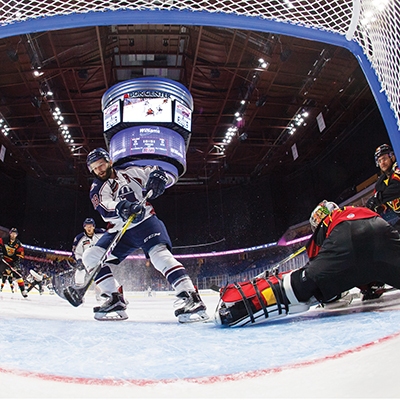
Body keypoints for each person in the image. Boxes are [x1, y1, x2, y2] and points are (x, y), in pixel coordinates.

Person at [214, 200, 400, 327]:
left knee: (301, 286)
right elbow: (366, 253)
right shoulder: (352, 210)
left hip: (345, 235)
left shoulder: (325, 226)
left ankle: (239, 307)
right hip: (380, 227)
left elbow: (319, 271)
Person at [81, 148, 209, 322]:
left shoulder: (130, 171)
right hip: (121, 230)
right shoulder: (97, 188)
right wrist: (122, 207)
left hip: (146, 223)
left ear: (109, 161)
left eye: (101, 165)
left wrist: (158, 176)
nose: (99, 170)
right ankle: (114, 298)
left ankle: (191, 298)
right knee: (90, 256)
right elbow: (105, 207)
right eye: (95, 168)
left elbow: (155, 171)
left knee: (160, 256)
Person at [366, 144, 400, 228]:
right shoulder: (380, 183)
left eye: (384, 159)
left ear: (392, 157)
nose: (382, 163)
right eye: (379, 161)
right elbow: (377, 202)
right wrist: (373, 207)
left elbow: (397, 187)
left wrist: (378, 198)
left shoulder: (397, 168)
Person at [71, 218, 106, 286]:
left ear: (94, 226)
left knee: (103, 272)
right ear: (84, 227)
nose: (89, 228)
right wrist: (79, 260)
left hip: (99, 258)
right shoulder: (79, 238)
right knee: (80, 271)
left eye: (90, 226)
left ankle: (114, 288)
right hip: (86, 260)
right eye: (87, 226)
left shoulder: (102, 233)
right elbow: (77, 252)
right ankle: (79, 287)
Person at [0, 228, 27, 298]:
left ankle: (23, 290)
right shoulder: (4, 239)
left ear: (16, 235)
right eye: (12, 233)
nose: (13, 234)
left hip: (12, 261)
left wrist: (17, 263)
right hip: (3, 260)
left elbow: (20, 255)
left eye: (15, 233)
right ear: (10, 233)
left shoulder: (18, 244)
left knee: (18, 274)